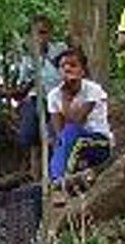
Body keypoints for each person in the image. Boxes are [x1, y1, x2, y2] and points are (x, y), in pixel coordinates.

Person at [45, 48, 114, 191]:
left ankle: (58, 182)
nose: (67, 68)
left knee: (72, 132)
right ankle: (60, 179)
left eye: (72, 65)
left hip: (99, 143)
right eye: (62, 66)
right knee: (61, 140)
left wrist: (65, 97)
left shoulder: (93, 90)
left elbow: (77, 121)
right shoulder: (53, 95)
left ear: (83, 71)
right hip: (73, 145)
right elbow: (59, 132)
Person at [6, 15, 67, 156]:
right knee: (31, 137)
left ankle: (60, 170)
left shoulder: (60, 49)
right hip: (37, 100)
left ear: (50, 34)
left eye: (43, 32)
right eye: (35, 33)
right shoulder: (28, 59)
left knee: (58, 135)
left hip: (59, 99)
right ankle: (37, 175)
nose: (40, 37)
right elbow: (23, 87)